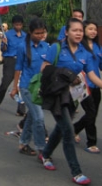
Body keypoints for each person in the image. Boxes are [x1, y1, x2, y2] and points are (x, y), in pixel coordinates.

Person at [39, 18, 102, 185]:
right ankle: (76, 171)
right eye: (75, 30)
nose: (78, 33)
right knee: (68, 131)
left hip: (72, 97)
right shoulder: (57, 48)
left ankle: (45, 154)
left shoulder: (85, 53)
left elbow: (92, 76)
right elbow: (44, 68)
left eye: (81, 30)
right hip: (56, 95)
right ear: (67, 32)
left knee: (60, 129)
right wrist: (65, 74)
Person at [9, 18, 48, 157]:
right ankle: (42, 149)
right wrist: (15, 87)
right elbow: (18, 67)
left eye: (42, 33)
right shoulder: (22, 47)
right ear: (30, 32)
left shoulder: (46, 47)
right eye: (37, 33)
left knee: (32, 116)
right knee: (39, 118)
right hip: (26, 87)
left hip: (40, 88)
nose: (40, 36)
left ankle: (23, 143)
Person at [73, 20, 101, 154]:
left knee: (93, 114)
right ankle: (91, 142)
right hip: (84, 86)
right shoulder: (79, 47)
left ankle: (74, 129)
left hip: (96, 85)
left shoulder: (97, 47)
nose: (93, 31)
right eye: (90, 29)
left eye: (95, 29)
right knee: (90, 113)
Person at [0, 15, 26, 115]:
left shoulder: (25, 36)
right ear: (13, 24)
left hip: (22, 61)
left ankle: (21, 109)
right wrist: (5, 43)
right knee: (5, 84)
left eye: (20, 25)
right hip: (10, 60)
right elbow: (3, 50)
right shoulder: (8, 35)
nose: (18, 26)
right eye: (16, 24)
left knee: (21, 85)